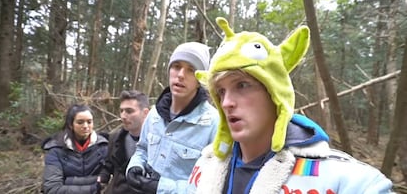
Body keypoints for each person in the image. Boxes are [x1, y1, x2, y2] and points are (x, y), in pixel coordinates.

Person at [187, 17, 394, 193]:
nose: (227, 102)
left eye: (242, 85)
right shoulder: (205, 165)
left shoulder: (333, 174)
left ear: (275, 93)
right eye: (221, 92)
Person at [125, 41, 219, 194]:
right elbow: (142, 149)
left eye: (191, 70)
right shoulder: (154, 114)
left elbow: (210, 184)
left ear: (200, 80)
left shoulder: (214, 124)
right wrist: (135, 166)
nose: (181, 75)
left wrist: (160, 188)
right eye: (176, 66)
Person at [42, 104, 108, 194]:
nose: (85, 126)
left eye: (89, 122)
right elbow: (53, 189)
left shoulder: (104, 147)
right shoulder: (56, 150)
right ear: (70, 125)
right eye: (80, 122)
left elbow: (109, 181)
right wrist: (94, 188)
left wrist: (68, 181)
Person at [98, 90, 150, 193]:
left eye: (129, 111)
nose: (123, 116)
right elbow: (109, 165)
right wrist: (102, 178)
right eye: (121, 111)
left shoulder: (158, 142)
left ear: (145, 113)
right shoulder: (115, 138)